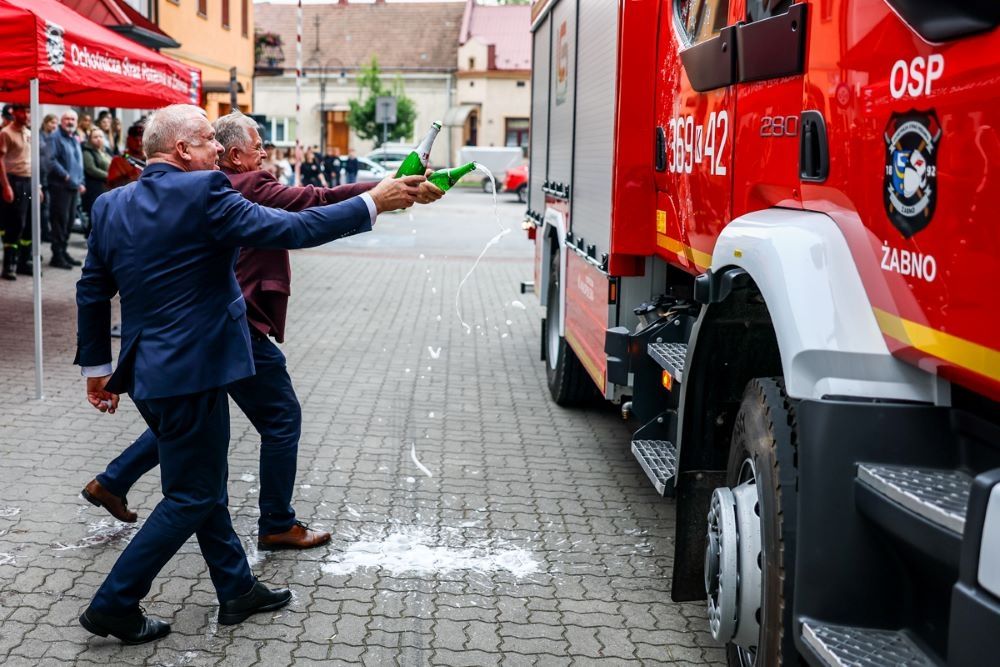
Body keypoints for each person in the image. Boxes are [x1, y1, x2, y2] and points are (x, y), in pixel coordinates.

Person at [75, 104, 425, 644]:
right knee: (192, 495)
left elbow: (93, 289)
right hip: (193, 370)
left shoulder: (111, 203)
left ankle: (237, 589)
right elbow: (295, 226)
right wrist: (373, 203)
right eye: (207, 140)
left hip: (146, 370)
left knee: (203, 484)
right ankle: (114, 604)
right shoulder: (204, 190)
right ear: (181, 150)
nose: (218, 148)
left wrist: (97, 368)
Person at [0, 104, 34, 279]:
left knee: (29, 224)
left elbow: (31, 160)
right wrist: (6, 186)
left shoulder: (28, 133)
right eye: (24, 111)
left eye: (29, 111)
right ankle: (9, 265)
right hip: (14, 181)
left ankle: (24, 262)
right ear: (15, 112)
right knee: (15, 224)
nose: (27, 115)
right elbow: (0, 160)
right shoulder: (6, 133)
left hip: (29, 181)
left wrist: (37, 186)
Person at [48, 110, 85, 269]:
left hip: (74, 187)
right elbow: (51, 160)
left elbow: (79, 162)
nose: (70, 122)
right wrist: (66, 176)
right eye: (67, 119)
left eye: (73, 119)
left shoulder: (74, 137)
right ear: (61, 121)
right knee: (60, 222)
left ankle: (63, 251)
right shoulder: (55, 137)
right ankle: (57, 255)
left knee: (69, 222)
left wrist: (81, 181)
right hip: (60, 187)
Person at [106, 122, 146, 190]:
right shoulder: (118, 161)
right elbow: (112, 186)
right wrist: (129, 177)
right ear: (128, 140)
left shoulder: (151, 159)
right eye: (135, 140)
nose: (139, 143)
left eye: (141, 140)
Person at [82, 129, 110, 223]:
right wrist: (109, 175)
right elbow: (91, 169)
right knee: (95, 215)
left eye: (100, 137)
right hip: (94, 188)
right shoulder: (87, 152)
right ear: (90, 139)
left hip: (106, 187)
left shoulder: (106, 151)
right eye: (95, 137)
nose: (98, 139)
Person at [39, 113, 58, 244]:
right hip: (41, 174)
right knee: (43, 206)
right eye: (52, 122)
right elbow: (43, 151)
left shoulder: (54, 137)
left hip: (50, 175)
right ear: (45, 123)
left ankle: (46, 231)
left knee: (48, 206)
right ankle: (44, 231)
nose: (54, 125)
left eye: (55, 123)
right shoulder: (39, 136)